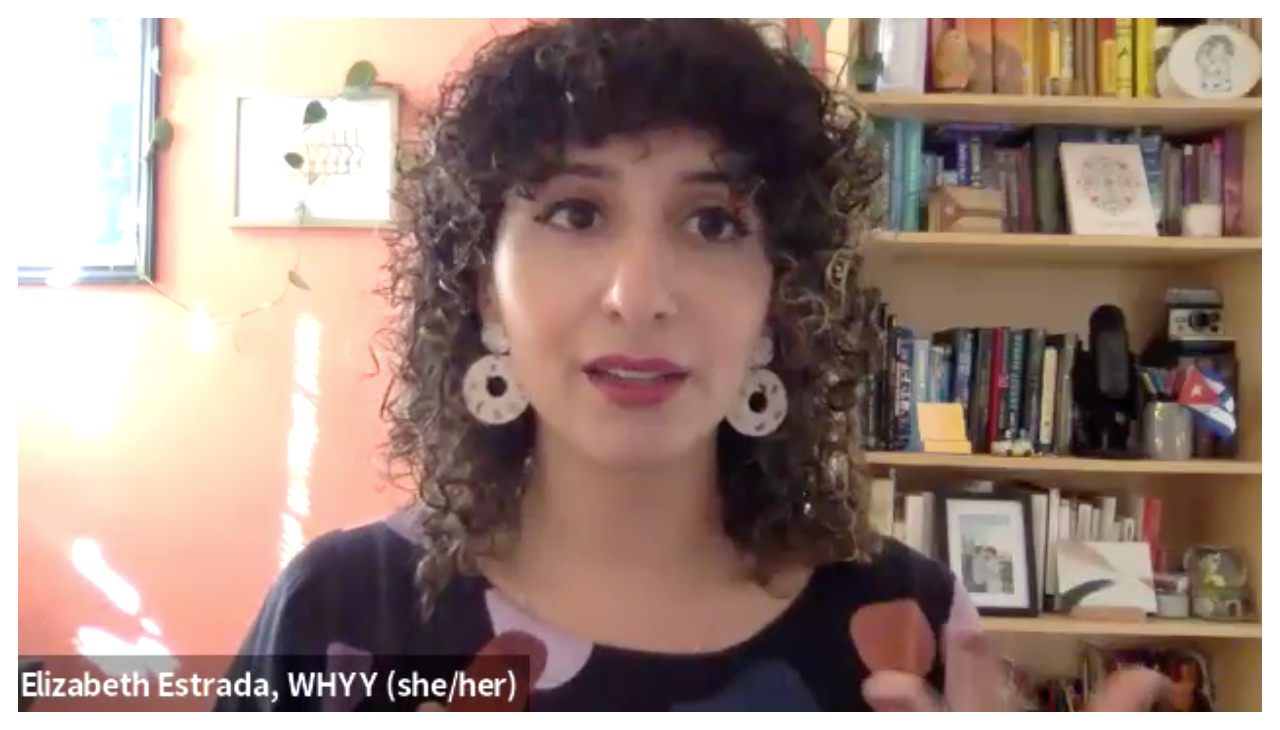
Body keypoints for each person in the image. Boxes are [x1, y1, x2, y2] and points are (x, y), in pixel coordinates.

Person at [214, 18, 1166, 711]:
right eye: (576, 214)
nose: (640, 293)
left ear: (775, 302)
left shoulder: (905, 628)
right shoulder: (343, 615)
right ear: (483, 291)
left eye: (713, 223)